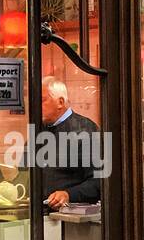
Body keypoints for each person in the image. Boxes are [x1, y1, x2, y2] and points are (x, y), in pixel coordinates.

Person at [37, 75, 101, 210]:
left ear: (60, 102)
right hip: (39, 218)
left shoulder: (86, 130)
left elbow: (100, 181)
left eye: (41, 100)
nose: (35, 106)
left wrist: (68, 195)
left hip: (71, 221)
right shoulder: (37, 131)